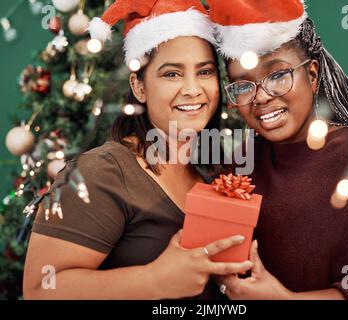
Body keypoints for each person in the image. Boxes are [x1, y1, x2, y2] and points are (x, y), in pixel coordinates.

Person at [23, 0, 253, 300]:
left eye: (205, 72)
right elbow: (40, 289)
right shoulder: (102, 172)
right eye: (172, 74)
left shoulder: (214, 172)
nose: (193, 89)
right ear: (139, 86)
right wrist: (154, 280)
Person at [208, 0, 348, 299]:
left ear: (312, 75)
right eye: (243, 86)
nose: (261, 98)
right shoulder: (244, 163)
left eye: (277, 75)